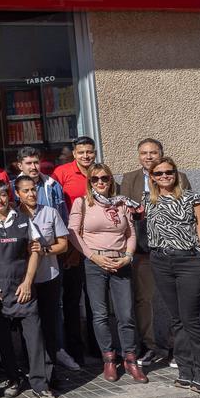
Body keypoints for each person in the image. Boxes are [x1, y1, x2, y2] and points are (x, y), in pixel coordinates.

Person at [143, 157, 200, 396]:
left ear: (176, 174)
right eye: (159, 174)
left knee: (190, 320)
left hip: (188, 261)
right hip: (160, 261)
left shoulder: (192, 198)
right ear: (152, 178)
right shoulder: (148, 201)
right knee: (176, 320)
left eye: (169, 172)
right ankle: (185, 371)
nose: (164, 176)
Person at [68, 163, 147, 384]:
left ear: (111, 180)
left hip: (121, 261)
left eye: (105, 178)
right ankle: (109, 359)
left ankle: (130, 359)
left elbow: (131, 233)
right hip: (94, 263)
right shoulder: (82, 203)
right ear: (89, 182)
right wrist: (93, 257)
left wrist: (128, 256)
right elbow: (73, 233)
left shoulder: (122, 203)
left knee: (126, 314)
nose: (101, 182)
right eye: (95, 179)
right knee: (100, 315)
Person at [0, 180, 58, 398]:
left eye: (3, 195)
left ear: (9, 196)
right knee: (3, 340)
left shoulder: (25, 220)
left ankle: (40, 385)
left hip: (24, 288)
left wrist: (28, 282)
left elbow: (35, 252)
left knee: (34, 338)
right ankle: (13, 379)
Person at [119, 138, 190, 366]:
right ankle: (149, 346)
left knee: (177, 301)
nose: (148, 157)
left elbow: (186, 209)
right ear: (138, 156)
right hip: (143, 251)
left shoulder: (176, 176)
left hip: (172, 249)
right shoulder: (130, 179)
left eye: (153, 152)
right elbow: (124, 212)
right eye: (144, 153)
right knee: (143, 300)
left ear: (161, 153)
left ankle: (176, 347)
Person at [12, 174, 69, 387]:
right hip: (23, 282)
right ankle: (29, 370)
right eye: (25, 191)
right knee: (27, 329)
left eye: (33, 189)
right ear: (17, 194)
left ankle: (50, 372)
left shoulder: (50, 213)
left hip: (47, 277)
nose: (31, 194)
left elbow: (63, 244)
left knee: (48, 327)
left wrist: (44, 250)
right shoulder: (13, 216)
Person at [52, 136, 98, 366]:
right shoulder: (61, 173)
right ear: (74, 153)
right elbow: (58, 212)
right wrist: (71, 248)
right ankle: (75, 349)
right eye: (81, 152)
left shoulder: (100, 173)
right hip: (72, 246)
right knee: (71, 301)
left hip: (98, 245)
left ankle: (99, 348)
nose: (86, 156)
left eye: (89, 152)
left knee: (96, 302)